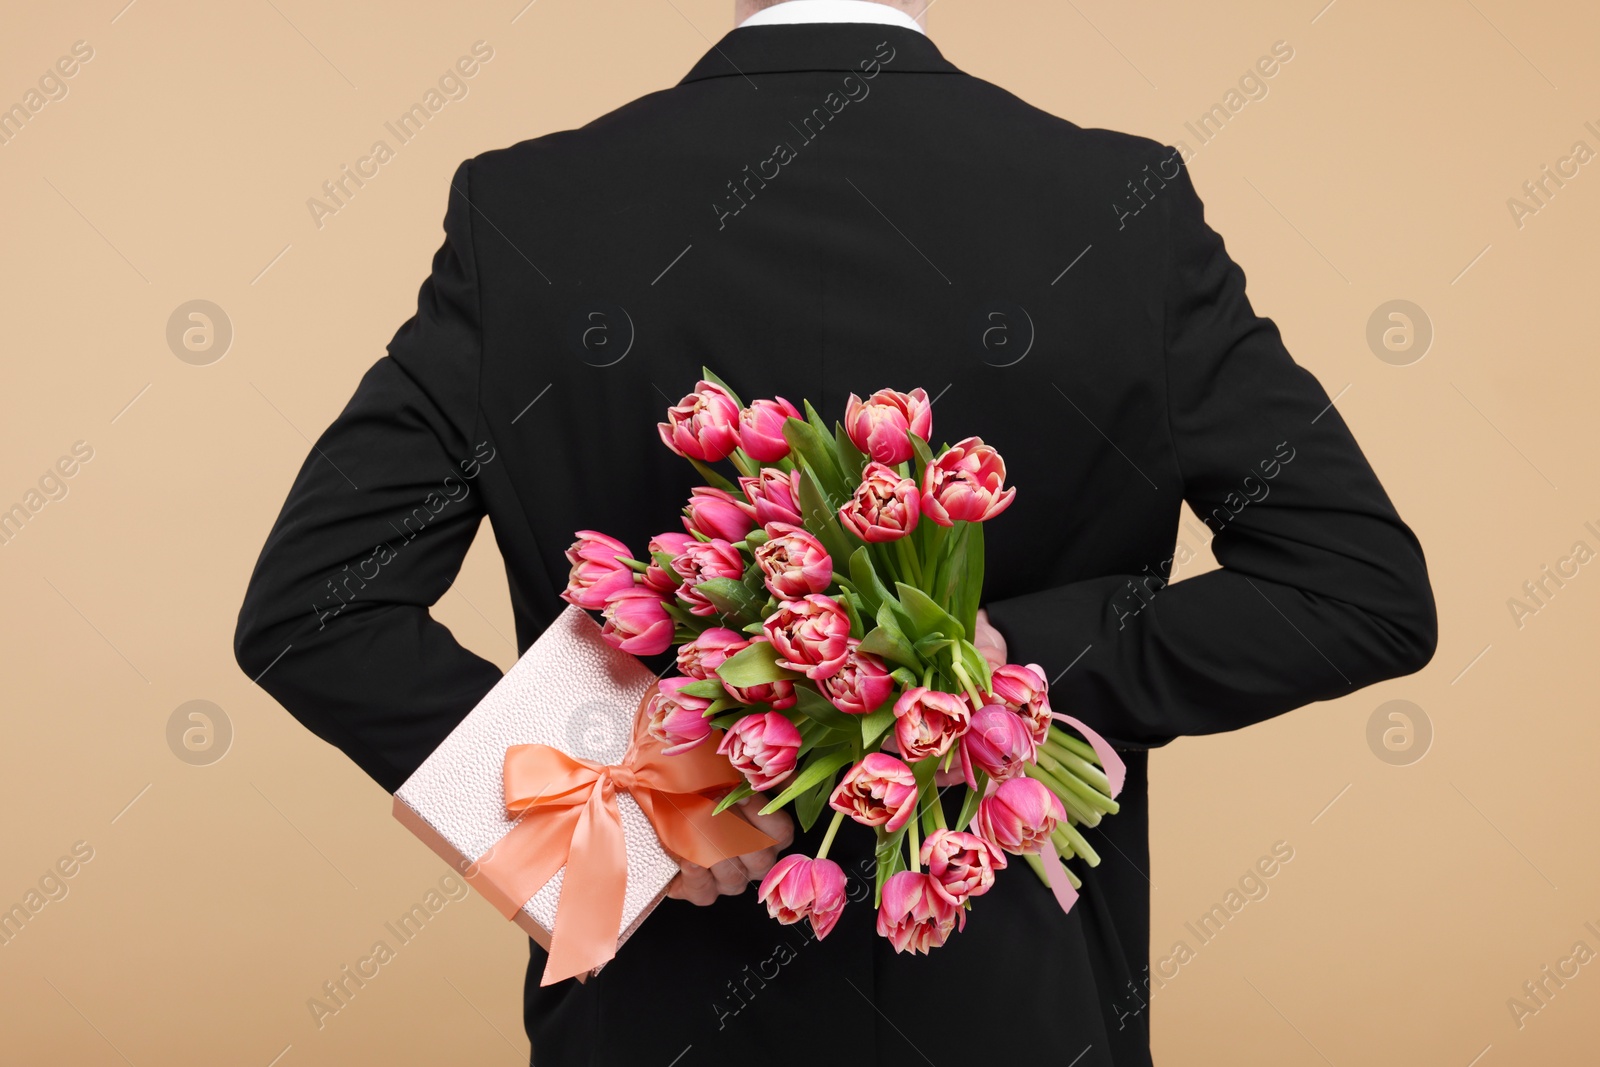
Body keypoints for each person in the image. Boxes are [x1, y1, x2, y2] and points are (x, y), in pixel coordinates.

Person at [233, 2, 1437, 1063]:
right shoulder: (1116, 205)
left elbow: (316, 611)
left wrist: (633, 789)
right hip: (1025, 1019)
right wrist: (1010, 656)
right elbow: (1354, 585)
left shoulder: (534, 207)